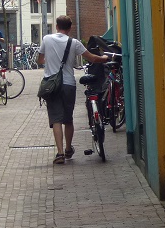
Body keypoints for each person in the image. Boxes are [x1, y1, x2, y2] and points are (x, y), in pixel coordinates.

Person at [37, 15, 112, 164]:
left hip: (51, 85)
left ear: (56, 26)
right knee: (68, 119)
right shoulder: (74, 43)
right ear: (70, 28)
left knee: (56, 119)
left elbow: (39, 60)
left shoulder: (47, 39)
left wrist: (50, 61)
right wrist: (104, 58)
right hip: (68, 84)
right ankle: (68, 149)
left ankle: (59, 153)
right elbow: (92, 58)